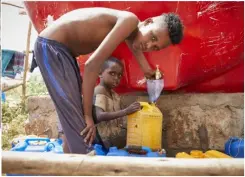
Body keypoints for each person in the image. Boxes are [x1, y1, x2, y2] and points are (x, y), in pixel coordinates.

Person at [34, 7, 183, 154]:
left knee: (73, 123)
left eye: (155, 47)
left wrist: (146, 69)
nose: (149, 45)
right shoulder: (129, 20)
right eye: (153, 37)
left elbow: (134, 43)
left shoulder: (130, 30)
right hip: (51, 48)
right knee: (81, 126)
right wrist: (88, 115)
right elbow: (92, 65)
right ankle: (84, 166)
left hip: (63, 52)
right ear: (148, 22)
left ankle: (68, 166)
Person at [93, 57, 141, 150]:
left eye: (119, 75)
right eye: (112, 73)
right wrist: (126, 111)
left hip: (111, 138)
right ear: (100, 73)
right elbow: (99, 116)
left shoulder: (115, 95)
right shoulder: (99, 90)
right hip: (100, 139)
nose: (116, 78)